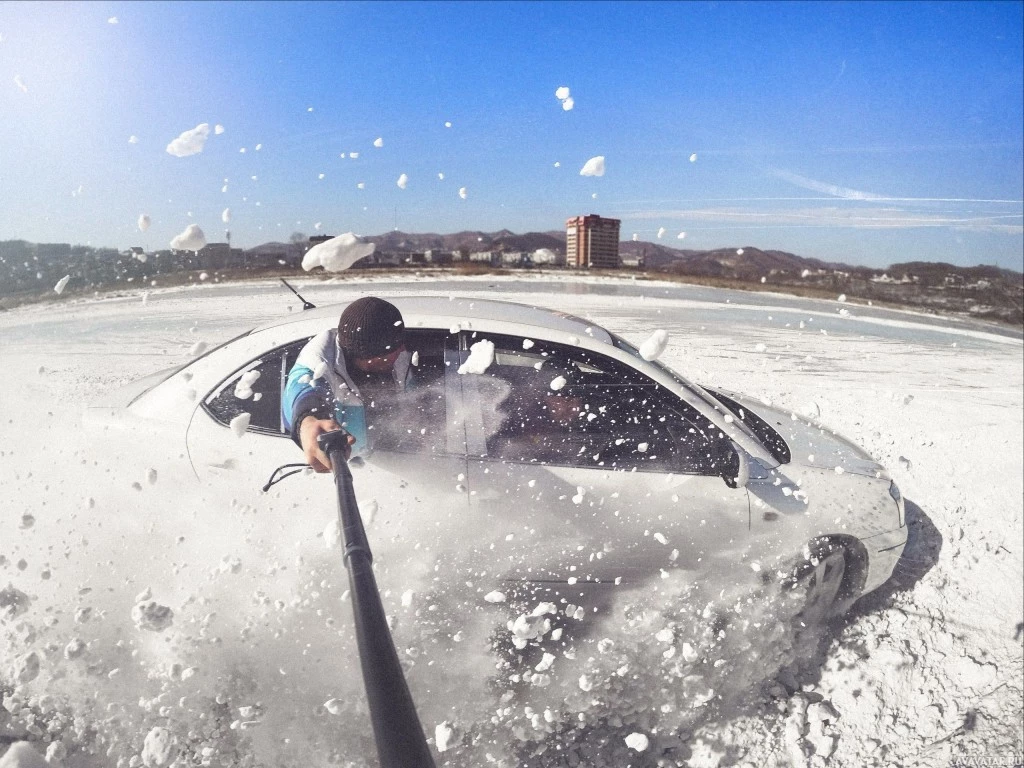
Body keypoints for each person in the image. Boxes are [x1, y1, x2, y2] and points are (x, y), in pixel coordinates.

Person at [282, 296, 412, 472]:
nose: (402, 350)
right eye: (395, 350)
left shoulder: (395, 355)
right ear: (370, 356)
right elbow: (304, 392)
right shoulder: (318, 365)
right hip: (357, 469)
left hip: (398, 459)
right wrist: (309, 422)